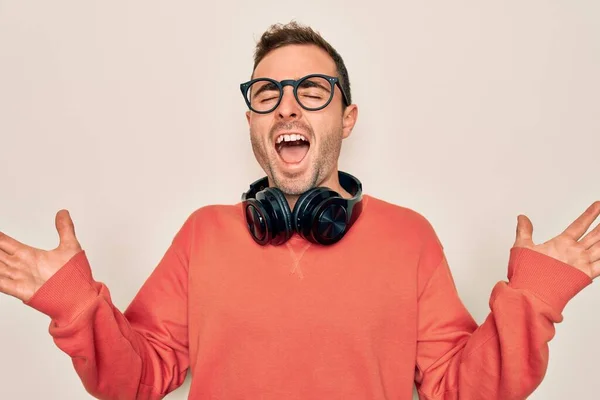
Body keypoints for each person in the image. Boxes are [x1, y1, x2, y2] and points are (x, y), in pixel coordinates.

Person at [0, 21, 598, 400]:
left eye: (313, 90)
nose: (288, 107)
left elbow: (461, 389)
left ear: (347, 118)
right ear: (253, 121)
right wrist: (76, 305)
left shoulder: (409, 237)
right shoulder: (203, 234)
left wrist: (535, 301)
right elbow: (132, 381)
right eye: (268, 94)